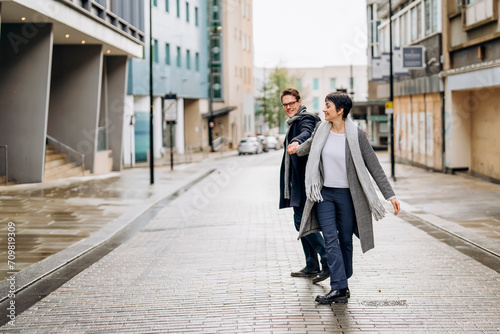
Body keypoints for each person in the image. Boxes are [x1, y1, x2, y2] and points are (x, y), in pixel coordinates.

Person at [289, 91, 401, 304]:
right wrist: (296, 148)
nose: (324, 109)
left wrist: (390, 195)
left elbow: (374, 166)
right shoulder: (322, 130)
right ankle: (339, 287)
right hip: (323, 195)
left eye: (328, 106)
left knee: (345, 241)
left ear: (340, 110)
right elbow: (307, 147)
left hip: (348, 196)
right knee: (330, 239)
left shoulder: (356, 135)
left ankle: (342, 278)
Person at [279, 88, 330, 283]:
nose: (289, 107)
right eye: (285, 104)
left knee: (301, 222)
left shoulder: (305, 118)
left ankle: (326, 260)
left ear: (299, 102)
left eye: (292, 103)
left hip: (307, 181)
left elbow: (307, 133)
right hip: (299, 181)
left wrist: (296, 142)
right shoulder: (294, 121)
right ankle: (311, 264)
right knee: (301, 221)